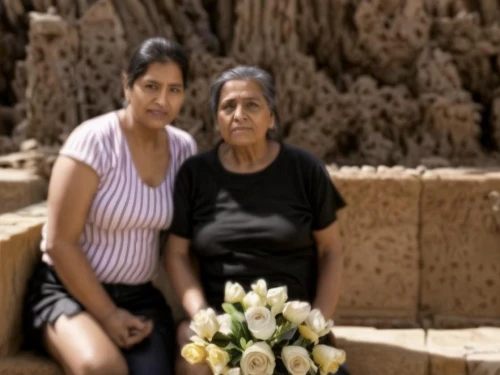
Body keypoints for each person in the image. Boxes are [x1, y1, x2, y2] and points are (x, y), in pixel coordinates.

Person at [24, 37, 196, 375]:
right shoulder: (94, 141)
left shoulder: (183, 149)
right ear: (126, 85)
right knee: (100, 367)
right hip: (67, 289)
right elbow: (60, 243)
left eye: (174, 90)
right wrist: (107, 314)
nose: (162, 100)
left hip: (139, 299)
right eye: (151, 86)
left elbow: (183, 244)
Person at [166, 66, 348, 375]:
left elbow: (330, 250)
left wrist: (316, 323)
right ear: (217, 120)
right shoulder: (196, 175)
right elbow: (176, 253)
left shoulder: (304, 170)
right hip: (224, 327)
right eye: (228, 107)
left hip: (293, 329)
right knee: (191, 346)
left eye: (252, 104)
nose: (239, 114)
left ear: (272, 117)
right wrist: (202, 317)